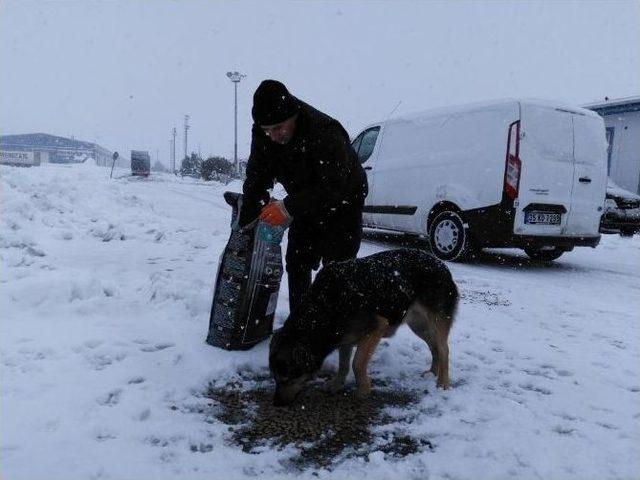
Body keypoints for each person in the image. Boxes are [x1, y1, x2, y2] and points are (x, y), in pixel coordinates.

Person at [238, 79, 368, 313]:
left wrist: (287, 207)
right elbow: (257, 176)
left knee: (337, 267)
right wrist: (245, 226)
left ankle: (337, 327)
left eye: (278, 128)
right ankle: (301, 323)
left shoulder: (325, 131)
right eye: (266, 130)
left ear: (293, 116)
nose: (272, 136)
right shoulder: (264, 132)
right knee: (298, 260)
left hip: (345, 199)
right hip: (305, 199)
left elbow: (333, 187)